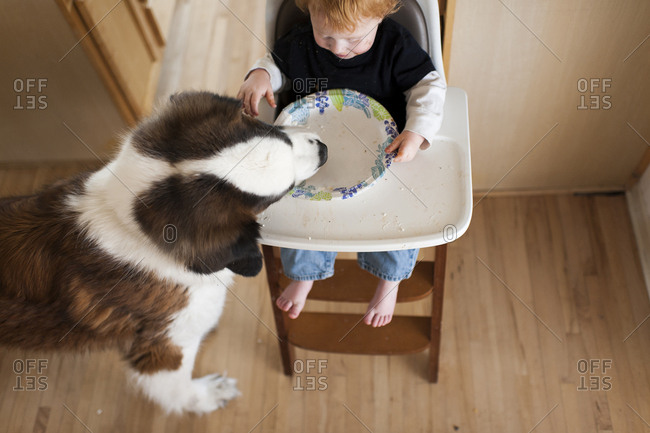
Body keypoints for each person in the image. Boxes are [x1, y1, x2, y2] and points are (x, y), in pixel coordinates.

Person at [237, 0, 446, 327]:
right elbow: (276, 64)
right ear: (309, 11)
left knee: (399, 221)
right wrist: (261, 76)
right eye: (327, 36)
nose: (338, 49)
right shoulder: (303, 40)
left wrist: (417, 132)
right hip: (314, 147)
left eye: (354, 40)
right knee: (304, 216)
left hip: (383, 151)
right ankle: (306, 275)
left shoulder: (395, 45)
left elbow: (428, 86)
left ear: (382, 14)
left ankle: (389, 281)